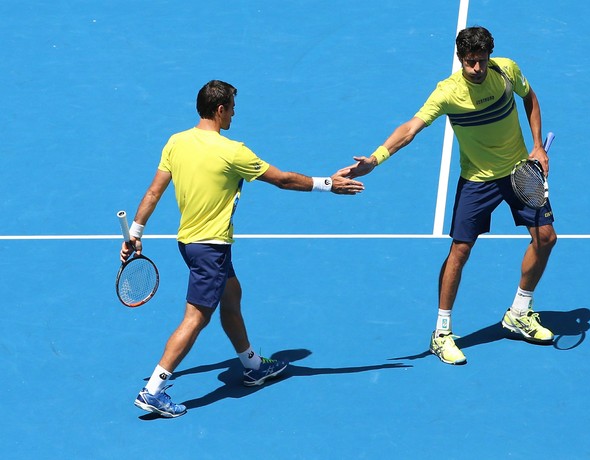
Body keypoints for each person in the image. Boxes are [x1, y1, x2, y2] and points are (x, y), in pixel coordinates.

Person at [120, 80, 365, 417]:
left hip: (190, 243)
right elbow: (282, 180)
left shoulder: (176, 143)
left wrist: (134, 233)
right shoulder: (233, 151)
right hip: (211, 247)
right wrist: (328, 184)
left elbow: (152, 193)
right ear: (220, 110)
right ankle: (154, 390)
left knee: (231, 295)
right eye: (232, 108)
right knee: (195, 318)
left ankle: (252, 365)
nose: (235, 114)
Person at [344, 26, 556, 365]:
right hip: (477, 179)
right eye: (470, 62)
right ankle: (442, 333)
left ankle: (519, 310)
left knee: (545, 238)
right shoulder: (447, 93)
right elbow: (410, 128)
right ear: (460, 59)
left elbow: (530, 98)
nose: (476, 69)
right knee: (460, 250)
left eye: (481, 62)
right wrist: (375, 158)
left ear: (490, 57)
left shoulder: (506, 71)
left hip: (519, 170)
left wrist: (537, 146)